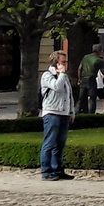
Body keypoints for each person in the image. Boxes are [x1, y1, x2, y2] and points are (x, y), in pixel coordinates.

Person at [39, 51, 76, 181]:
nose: (66, 64)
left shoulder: (64, 76)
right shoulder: (48, 75)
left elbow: (68, 94)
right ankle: (46, 170)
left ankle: (57, 169)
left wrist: (71, 112)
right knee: (50, 142)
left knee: (60, 144)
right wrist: (61, 74)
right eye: (63, 62)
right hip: (52, 112)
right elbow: (57, 87)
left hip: (63, 113)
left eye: (66, 62)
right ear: (56, 63)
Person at [78, 44, 102, 115]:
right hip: (91, 80)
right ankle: (91, 114)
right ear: (98, 51)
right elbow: (102, 71)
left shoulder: (85, 57)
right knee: (92, 99)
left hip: (83, 79)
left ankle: (77, 113)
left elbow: (79, 68)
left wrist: (79, 79)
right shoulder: (98, 60)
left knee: (81, 99)